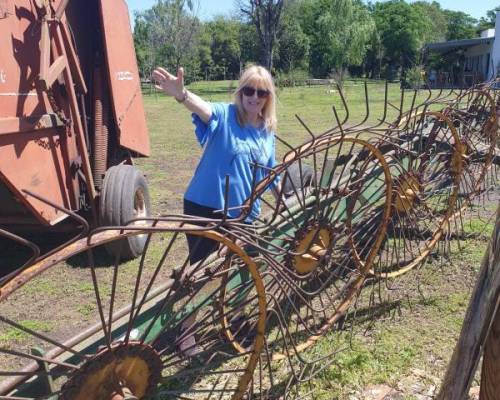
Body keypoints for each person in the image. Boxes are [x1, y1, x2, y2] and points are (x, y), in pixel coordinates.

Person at [152, 65, 280, 265]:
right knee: (205, 274)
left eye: (261, 92)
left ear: (268, 97)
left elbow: (271, 172)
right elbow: (203, 107)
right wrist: (182, 94)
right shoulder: (226, 115)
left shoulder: (267, 131)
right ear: (241, 92)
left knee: (248, 268)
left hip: (242, 214)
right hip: (205, 209)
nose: (254, 97)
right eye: (249, 90)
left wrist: (285, 202)